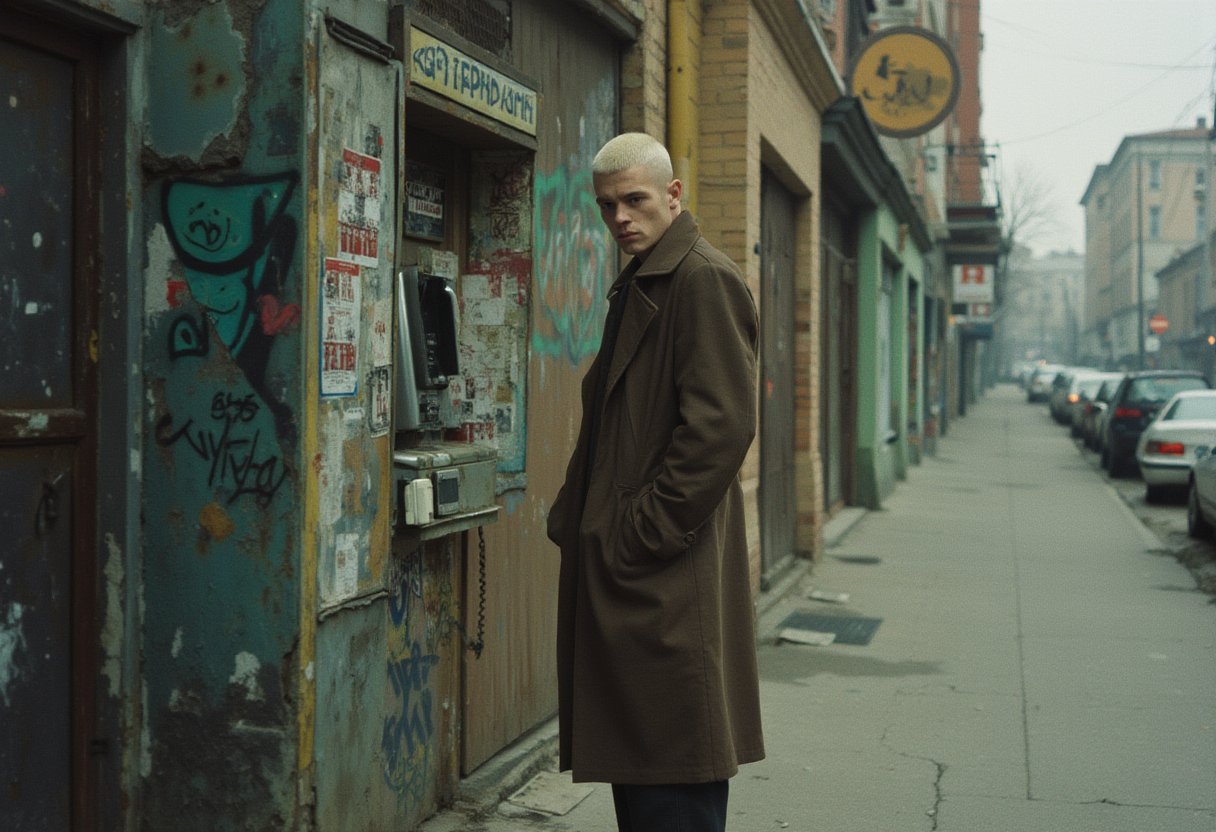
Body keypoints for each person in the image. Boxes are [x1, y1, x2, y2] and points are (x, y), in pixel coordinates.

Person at [547, 132, 765, 832]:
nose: (620, 218)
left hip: (663, 577)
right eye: (607, 206)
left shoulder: (700, 278)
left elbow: (720, 430)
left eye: (635, 200)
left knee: (674, 781)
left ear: (674, 195)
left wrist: (637, 534)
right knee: (647, 783)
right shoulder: (645, 279)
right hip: (635, 576)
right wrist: (576, 519)